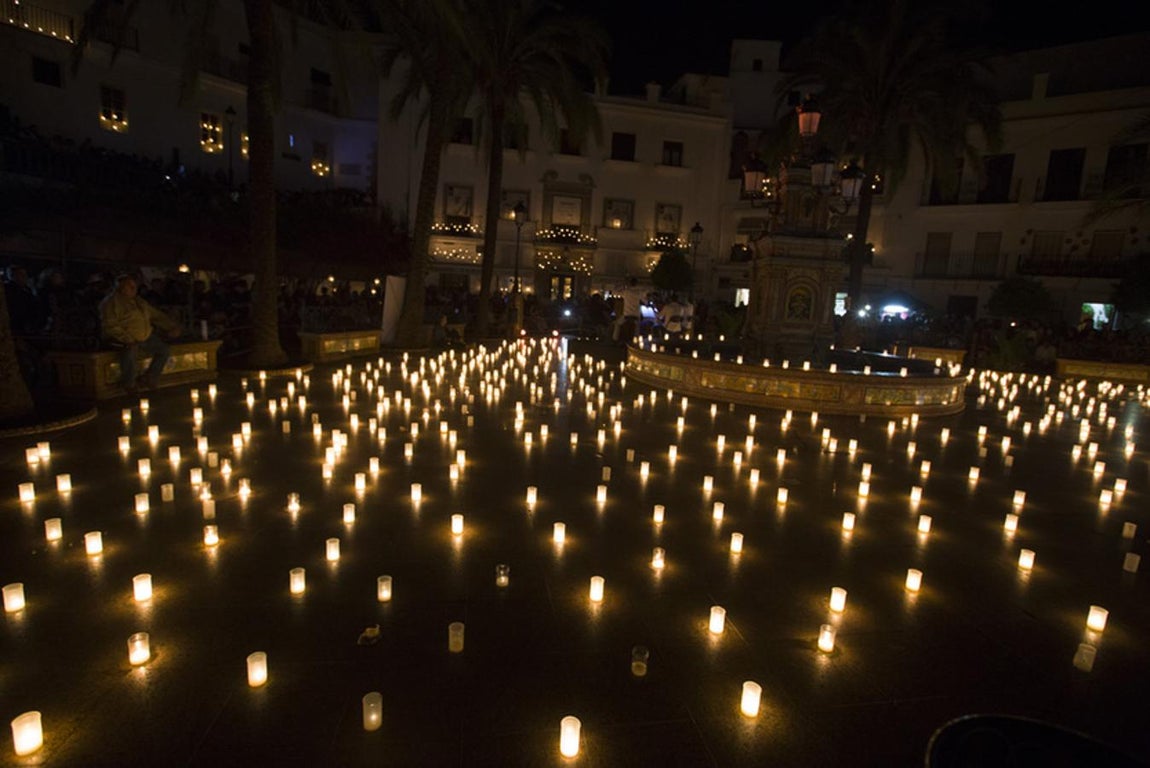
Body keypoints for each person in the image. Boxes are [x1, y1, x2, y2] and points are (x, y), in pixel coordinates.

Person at [99, 274, 181, 393]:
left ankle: (150, 377)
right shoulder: (111, 303)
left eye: (134, 286)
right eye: (129, 286)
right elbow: (110, 325)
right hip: (121, 339)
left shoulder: (139, 301)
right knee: (130, 351)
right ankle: (129, 384)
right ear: (120, 287)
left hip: (145, 337)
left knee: (164, 350)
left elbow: (156, 315)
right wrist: (127, 339)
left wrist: (171, 327)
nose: (134, 288)